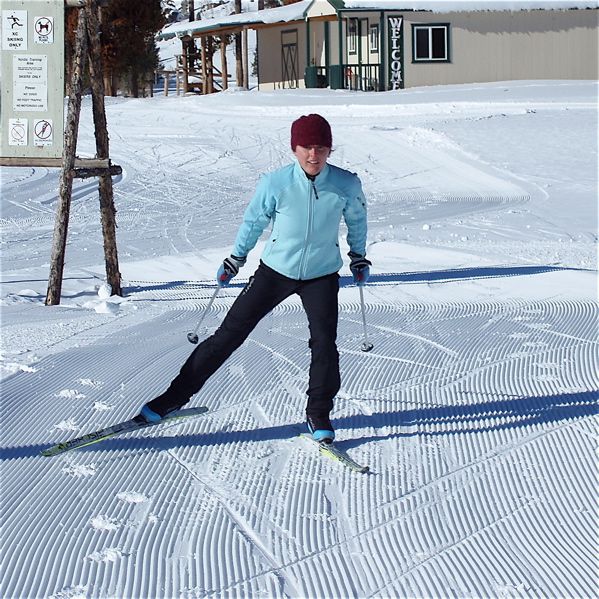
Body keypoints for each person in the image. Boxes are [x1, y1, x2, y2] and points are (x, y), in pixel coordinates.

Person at [136, 114, 371, 444]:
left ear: (330, 150)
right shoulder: (276, 183)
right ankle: (172, 398)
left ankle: (318, 412)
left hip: (321, 275)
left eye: (320, 148)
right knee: (228, 335)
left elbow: (357, 219)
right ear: (295, 148)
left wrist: (358, 255)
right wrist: (236, 258)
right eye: (306, 147)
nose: (313, 156)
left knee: (324, 345)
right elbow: (253, 222)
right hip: (274, 271)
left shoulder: (346, 184)